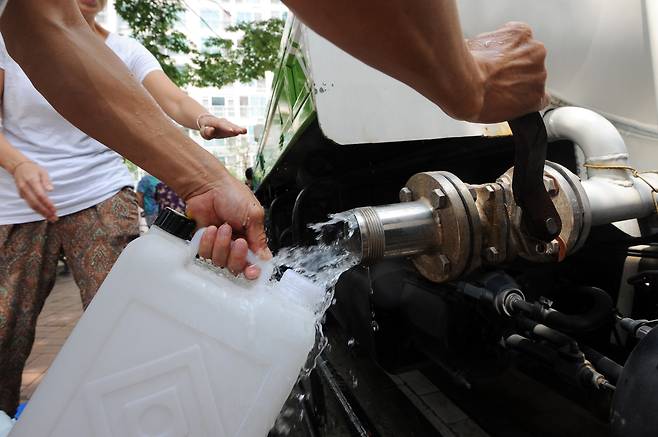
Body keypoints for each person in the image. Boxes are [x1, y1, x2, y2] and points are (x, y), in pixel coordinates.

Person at [0, 0, 548, 276]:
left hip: (95, 192)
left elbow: (44, 25)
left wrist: (204, 171)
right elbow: (44, 26)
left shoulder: (114, 46)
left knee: (114, 306)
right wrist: (464, 82)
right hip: (11, 203)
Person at [0, 0, 249, 416]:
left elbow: (170, 99)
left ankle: (137, 417)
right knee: (5, 334)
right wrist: (18, 163)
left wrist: (202, 117)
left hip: (100, 193)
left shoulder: (125, 49)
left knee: (127, 322)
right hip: (21, 200)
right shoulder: (12, 37)